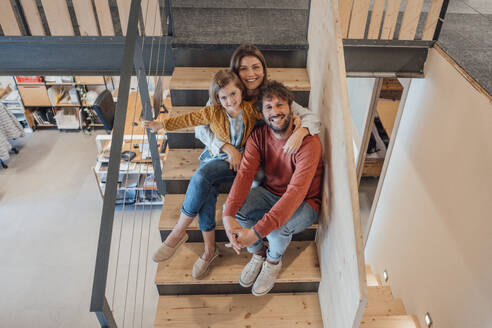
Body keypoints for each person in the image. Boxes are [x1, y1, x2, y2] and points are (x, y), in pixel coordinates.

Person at [143, 69, 307, 280]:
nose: (229, 101)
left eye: (233, 94)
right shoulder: (213, 112)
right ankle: (201, 246)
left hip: (241, 165)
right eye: (223, 97)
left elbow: (274, 115)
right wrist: (162, 125)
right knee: (205, 184)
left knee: (203, 178)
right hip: (217, 159)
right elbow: (189, 119)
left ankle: (182, 234)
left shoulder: (250, 110)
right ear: (217, 99)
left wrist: (298, 122)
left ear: (241, 91)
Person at [222, 81, 323, 296]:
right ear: (262, 113)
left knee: (277, 228)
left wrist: (257, 231)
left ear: (290, 107)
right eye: (268, 107)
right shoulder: (258, 136)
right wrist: (227, 214)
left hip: (305, 203)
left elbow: (295, 193)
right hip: (270, 192)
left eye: (280, 105)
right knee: (240, 210)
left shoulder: (310, 143)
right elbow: (244, 175)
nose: (275, 112)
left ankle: (273, 260)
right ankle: (258, 253)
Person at [195, 43, 320, 157]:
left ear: (263, 71)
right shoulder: (227, 96)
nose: (251, 74)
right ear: (235, 72)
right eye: (243, 69)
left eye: (256, 67)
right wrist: (227, 148)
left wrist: (301, 132)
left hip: (255, 156)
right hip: (223, 154)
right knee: (201, 178)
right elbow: (200, 127)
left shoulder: (271, 94)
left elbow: (310, 116)